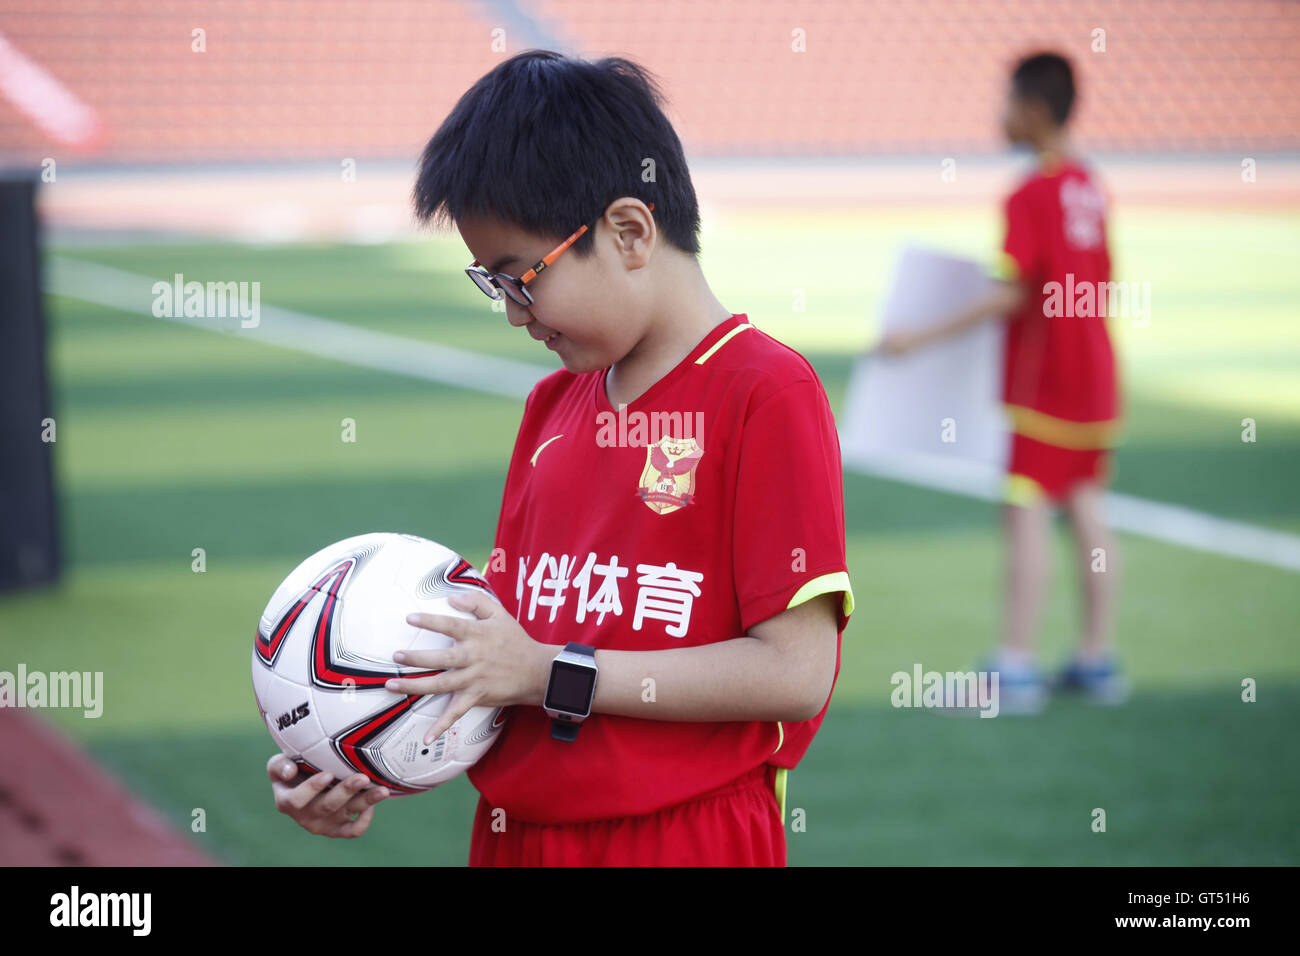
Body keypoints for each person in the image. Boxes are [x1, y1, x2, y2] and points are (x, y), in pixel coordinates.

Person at [267, 50, 854, 865]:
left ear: (628, 231)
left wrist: (554, 676)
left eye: (521, 278)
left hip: (682, 836)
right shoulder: (551, 407)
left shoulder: (765, 390)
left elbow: (795, 673)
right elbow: (509, 651)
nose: (514, 316)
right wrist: (357, 744)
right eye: (491, 285)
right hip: (517, 838)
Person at [879, 52, 1127, 714]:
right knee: (1085, 505)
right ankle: (1097, 659)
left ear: (1036, 110)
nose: (1001, 114)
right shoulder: (1089, 183)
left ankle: (1014, 666)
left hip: (1049, 383)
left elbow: (1010, 291)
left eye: (1009, 101)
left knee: (1024, 509)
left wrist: (916, 337)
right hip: (1097, 374)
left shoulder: (1030, 192)